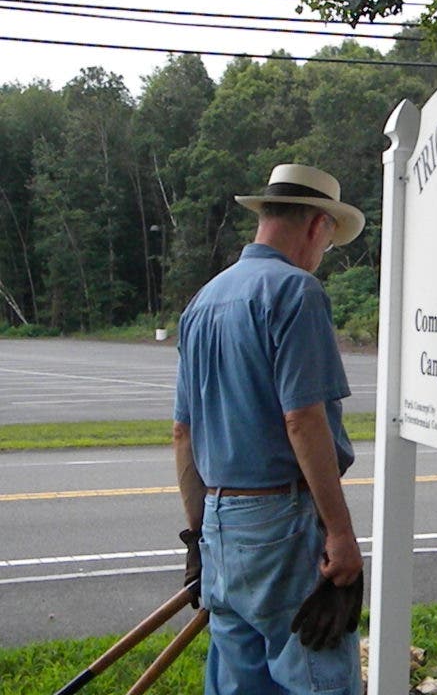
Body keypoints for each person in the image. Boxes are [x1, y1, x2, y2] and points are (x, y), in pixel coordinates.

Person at [173, 163, 366, 695]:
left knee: (239, 683)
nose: (321, 255)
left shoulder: (202, 303)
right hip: (282, 521)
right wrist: (341, 534)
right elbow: (302, 420)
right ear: (316, 226)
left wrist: (198, 537)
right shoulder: (295, 292)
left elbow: (183, 433)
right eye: (327, 241)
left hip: (218, 521)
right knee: (315, 676)